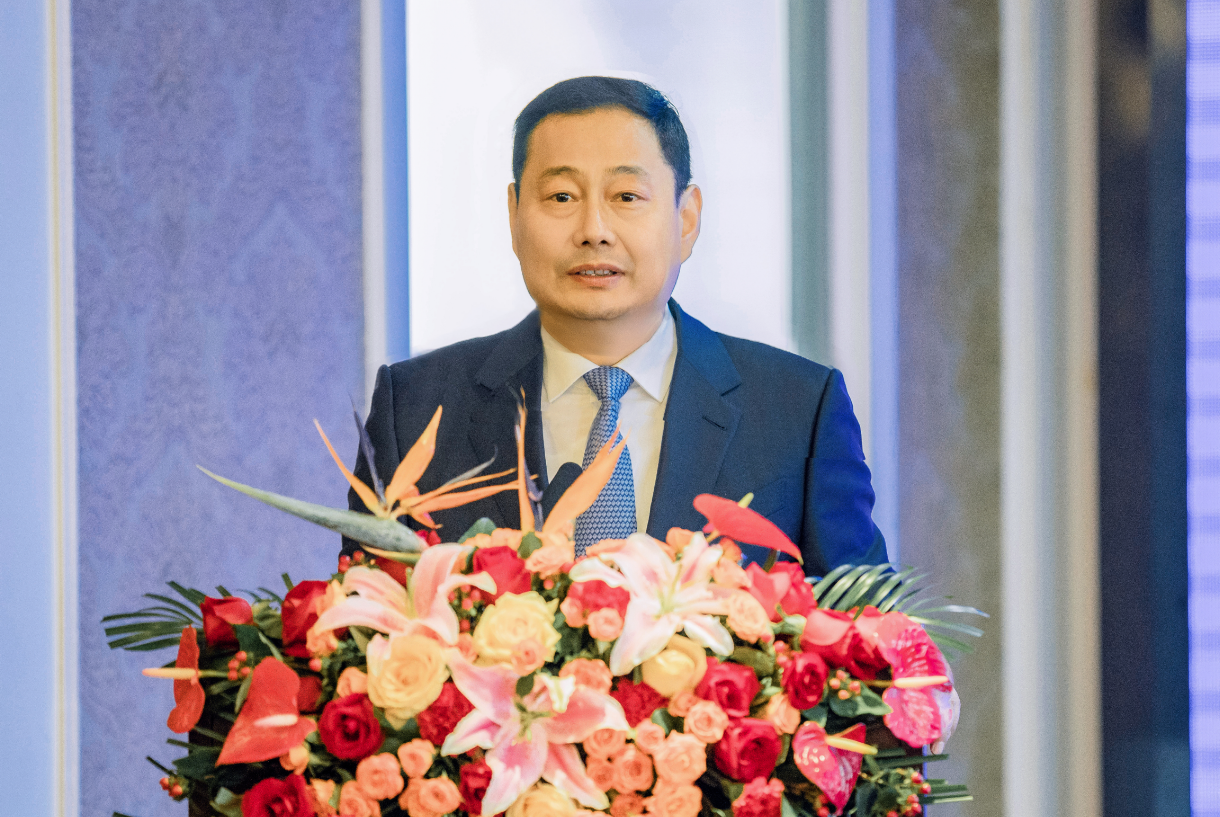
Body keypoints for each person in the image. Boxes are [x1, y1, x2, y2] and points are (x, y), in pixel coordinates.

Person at [343, 76, 886, 574]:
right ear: (514, 215)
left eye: (627, 197)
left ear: (686, 219)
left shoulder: (798, 409)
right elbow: (360, 624)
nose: (594, 230)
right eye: (561, 197)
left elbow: (868, 629)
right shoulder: (414, 408)